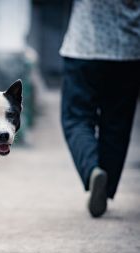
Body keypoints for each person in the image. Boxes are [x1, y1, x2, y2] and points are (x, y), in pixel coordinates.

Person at [60, 0, 140, 218]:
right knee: (117, 123)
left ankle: (92, 170)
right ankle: (105, 188)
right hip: (129, 50)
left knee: (76, 117)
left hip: (84, 45)